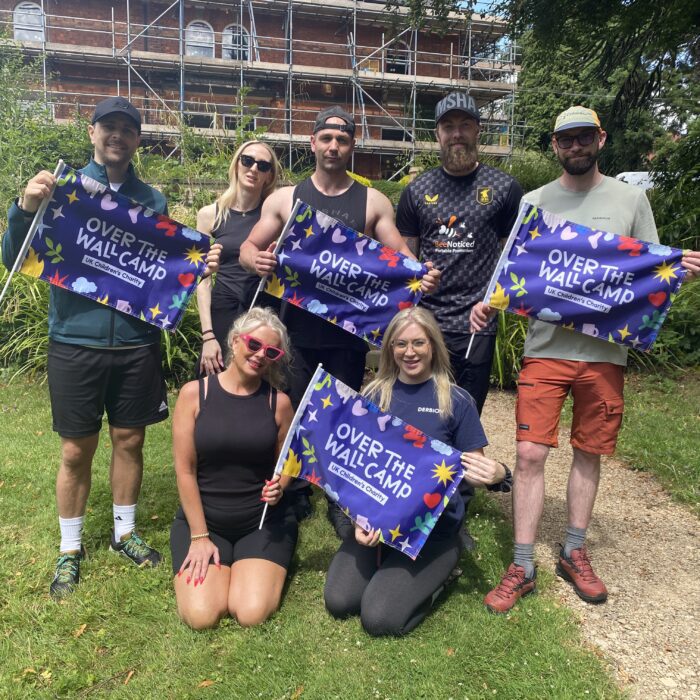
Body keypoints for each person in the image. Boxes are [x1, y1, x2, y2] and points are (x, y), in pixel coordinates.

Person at [471, 106, 700, 613]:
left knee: (588, 452)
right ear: (555, 145)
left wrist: (677, 271)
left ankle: (575, 549)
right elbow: (516, 270)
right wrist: (489, 300)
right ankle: (522, 561)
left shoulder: (630, 198)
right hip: (545, 351)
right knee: (530, 454)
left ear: (600, 138)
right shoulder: (534, 202)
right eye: (565, 139)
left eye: (583, 137)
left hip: (604, 354)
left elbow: (649, 272)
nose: (575, 146)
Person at [1, 97, 220, 598]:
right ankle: (70, 547)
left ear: (137, 139)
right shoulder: (63, 189)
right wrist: (26, 206)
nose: (116, 135)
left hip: (136, 344)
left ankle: (125, 533)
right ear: (92, 134)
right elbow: (14, 256)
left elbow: (164, 274)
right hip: (74, 340)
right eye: (108, 127)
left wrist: (194, 270)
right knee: (76, 449)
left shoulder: (153, 200)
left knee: (131, 441)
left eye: (127, 128)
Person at [240, 105, 440, 534]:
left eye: (343, 140)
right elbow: (248, 248)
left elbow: (402, 259)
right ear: (312, 143)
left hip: (349, 335)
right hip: (294, 331)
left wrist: (422, 275)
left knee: (340, 416)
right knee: (290, 413)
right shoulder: (285, 198)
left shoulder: (372, 201)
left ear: (352, 146)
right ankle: (292, 493)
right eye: (326, 138)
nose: (333, 146)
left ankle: (335, 493)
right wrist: (257, 259)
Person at [323, 307, 512, 636]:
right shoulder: (371, 396)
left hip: (430, 534)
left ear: (433, 346)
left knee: (379, 619)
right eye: (400, 344)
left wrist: (496, 473)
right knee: (339, 601)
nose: (409, 352)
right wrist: (358, 520)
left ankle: (442, 576)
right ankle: (390, 568)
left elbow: (470, 471)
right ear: (390, 349)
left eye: (418, 343)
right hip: (378, 525)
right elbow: (356, 471)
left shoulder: (456, 400)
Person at [396, 91, 522, 550]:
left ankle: (456, 508)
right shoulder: (417, 189)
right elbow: (404, 253)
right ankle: (413, 491)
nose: (457, 134)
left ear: (477, 131)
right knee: (420, 413)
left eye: (465, 125)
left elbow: (518, 256)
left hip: (476, 323)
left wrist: (496, 300)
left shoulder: (504, 188)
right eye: (448, 127)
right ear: (437, 135)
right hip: (425, 325)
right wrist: (415, 280)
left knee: (464, 414)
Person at [169, 307, 297, 629]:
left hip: (262, 523)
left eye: (271, 351)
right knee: (201, 616)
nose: (259, 356)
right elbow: (184, 470)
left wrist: (281, 485)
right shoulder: (193, 395)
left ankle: (242, 570)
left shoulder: (278, 402)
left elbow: (290, 463)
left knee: (250, 613)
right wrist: (199, 537)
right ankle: (220, 563)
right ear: (236, 341)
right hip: (204, 522)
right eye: (254, 344)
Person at [195, 140, 282, 376]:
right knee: (214, 383)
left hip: (264, 311)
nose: (254, 169)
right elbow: (201, 279)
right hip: (224, 307)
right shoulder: (209, 215)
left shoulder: (275, 217)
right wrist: (208, 335)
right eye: (247, 161)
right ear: (236, 165)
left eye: (263, 166)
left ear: (269, 176)